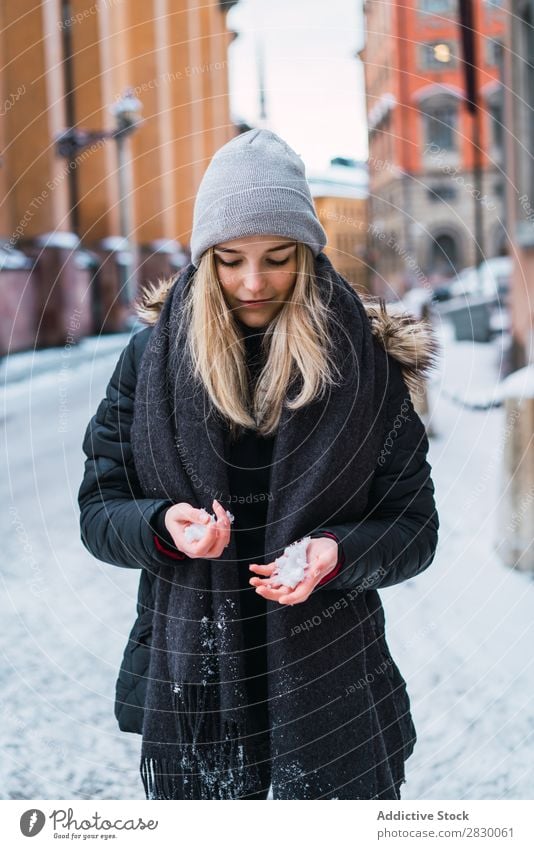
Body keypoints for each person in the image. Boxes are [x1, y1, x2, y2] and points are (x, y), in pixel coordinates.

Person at [78, 128, 440, 800]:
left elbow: (415, 528)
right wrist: (163, 526)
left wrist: (337, 552)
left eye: (277, 258)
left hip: (331, 671)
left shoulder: (366, 366)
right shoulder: (149, 362)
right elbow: (98, 510)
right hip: (198, 671)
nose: (252, 281)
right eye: (229, 259)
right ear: (204, 257)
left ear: (306, 255)